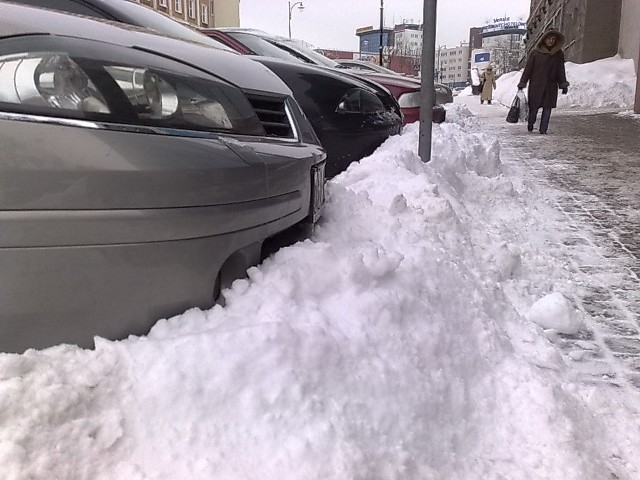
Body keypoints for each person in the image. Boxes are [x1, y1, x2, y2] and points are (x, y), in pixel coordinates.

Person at [517, 29, 570, 134]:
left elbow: (560, 70)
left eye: (553, 39)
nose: (551, 41)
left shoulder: (558, 54)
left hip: (551, 86)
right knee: (534, 108)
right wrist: (523, 83)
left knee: (547, 108)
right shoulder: (535, 53)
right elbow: (528, 69)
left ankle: (543, 130)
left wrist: (563, 84)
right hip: (536, 85)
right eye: (549, 38)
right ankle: (530, 124)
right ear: (544, 39)